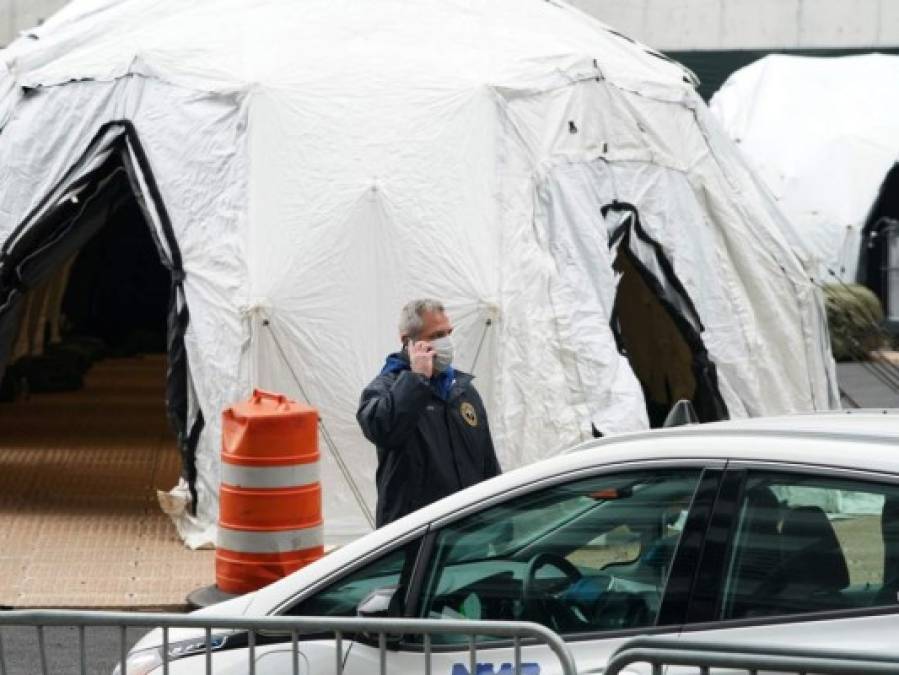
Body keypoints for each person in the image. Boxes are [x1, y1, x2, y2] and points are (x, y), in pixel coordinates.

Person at [357, 298, 501, 527]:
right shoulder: (386, 387)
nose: (446, 342)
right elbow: (382, 429)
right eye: (435, 336)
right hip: (418, 539)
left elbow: (487, 463)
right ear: (408, 342)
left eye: (448, 333)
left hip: (469, 534)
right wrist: (417, 379)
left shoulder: (462, 390)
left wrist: (502, 522)